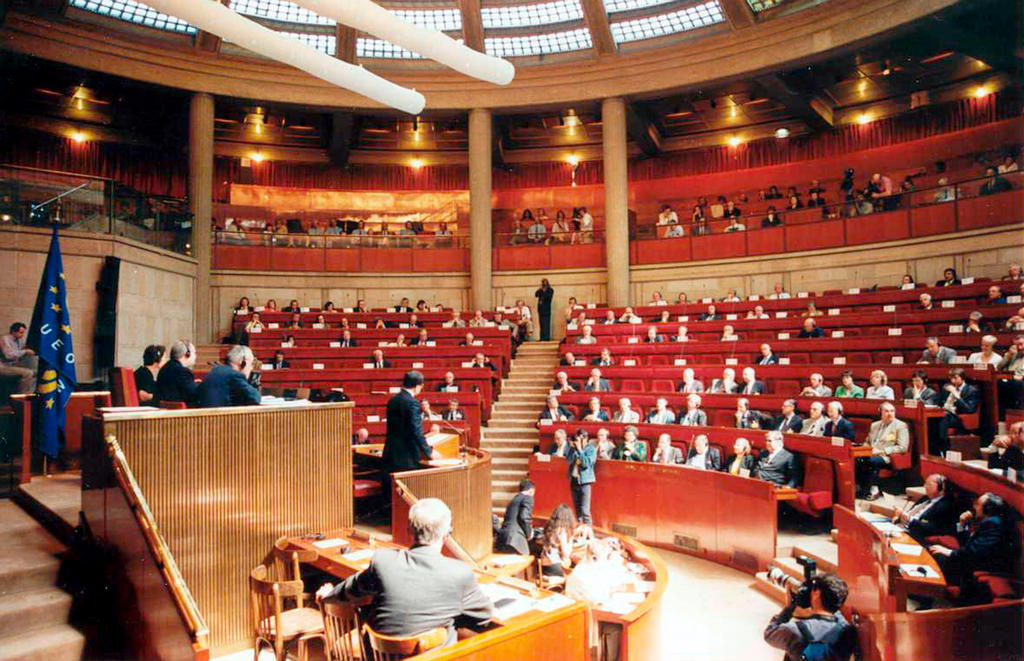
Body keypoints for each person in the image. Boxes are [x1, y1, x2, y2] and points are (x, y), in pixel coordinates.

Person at [315, 498, 492, 646]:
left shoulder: (382, 561)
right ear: (447, 534)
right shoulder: (460, 573)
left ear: (409, 530)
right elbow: (484, 618)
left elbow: (349, 590)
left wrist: (327, 595)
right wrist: (452, 613)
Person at [929, 493, 1020, 603]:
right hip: (979, 559)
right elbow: (968, 544)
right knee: (939, 554)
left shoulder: (993, 523)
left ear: (987, 509)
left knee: (939, 557)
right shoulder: (991, 521)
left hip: (988, 566)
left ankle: (930, 596)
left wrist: (949, 552)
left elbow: (974, 551)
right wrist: (962, 524)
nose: (974, 507)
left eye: (978, 504)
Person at [764, 572, 855, 661]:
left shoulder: (795, 630)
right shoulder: (846, 629)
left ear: (817, 594)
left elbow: (769, 634)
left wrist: (788, 609)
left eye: (813, 589)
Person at [382, 372, 441, 473]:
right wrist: (429, 452)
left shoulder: (392, 400)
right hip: (406, 458)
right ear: (417, 386)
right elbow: (416, 430)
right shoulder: (412, 403)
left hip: (390, 454)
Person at [857, 402, 910, 500]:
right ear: (880, 413)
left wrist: (882, 451)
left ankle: (874, 489)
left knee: (871, 461)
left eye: (892, 411)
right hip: (871, 453)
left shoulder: (901, 426)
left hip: (887, 456)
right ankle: (862, 488)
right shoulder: (874, 425)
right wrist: (864, 450)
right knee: (858, 459)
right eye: (886, 411)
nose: (890, 414)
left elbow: (903, 447)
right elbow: (867, 442)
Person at [892, 473, 954, 542]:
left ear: (941, 488)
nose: (924, 486)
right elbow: (910, 513)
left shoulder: (945, 506)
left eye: (928, 484)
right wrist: (899, 518)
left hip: (915, 536)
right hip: (902, 528)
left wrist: (908, 519)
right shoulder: (925, 498)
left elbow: (932, 529)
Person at [196, 345, 261, 408]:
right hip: (219, 417)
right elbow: (255, 397)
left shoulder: (216, 370)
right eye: (251, 363)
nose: (251, 368)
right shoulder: (234, 375)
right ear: (242, 363)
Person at [936, 367, 980, 455]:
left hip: (957, 417)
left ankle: (943, 448)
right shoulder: (947, 389)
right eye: (951, 378)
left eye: (955, 378)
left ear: (962, 378)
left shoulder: (972, 390)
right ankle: (935, 449)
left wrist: (957, 396)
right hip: (945, 413)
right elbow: (940, 403)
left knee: (944, 416)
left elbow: (969, 409)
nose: (953, 381)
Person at [495, 479, 535, 555]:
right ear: (531, 490)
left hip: (502, 538)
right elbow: (524, 517)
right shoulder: (528, 498)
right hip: (515, 540)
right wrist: (529, 533)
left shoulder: (513, 500)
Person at [566, 431, 596, 524]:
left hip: (585, 482)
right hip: (574, 481)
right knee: (577, 509)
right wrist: (572, 449)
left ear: (585, 438)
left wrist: (579, 449)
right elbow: (568, 461)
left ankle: (588, 531)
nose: (576, 441)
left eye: (578, 439)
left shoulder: (591, 449)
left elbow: (586, 464)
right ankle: (579, 528)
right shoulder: (574, 449)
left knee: (585, 510)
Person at [157, 340, 199, 404]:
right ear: (187, 354)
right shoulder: (183, 372)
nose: (195, 356)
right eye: (194, 352)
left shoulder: (163, 369)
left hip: (166, 411)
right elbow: (194, 395)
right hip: (183, 412)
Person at [0, 322, 37, 393]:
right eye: (21, 332)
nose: (23, 335)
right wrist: (25, 352)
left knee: (35, 372)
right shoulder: (5, 339)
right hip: (3, 366)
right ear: (13, 331)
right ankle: (21, 398)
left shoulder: (19, 340)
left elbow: (21, 352)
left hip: (12, 366)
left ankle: (29, 394)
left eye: (23, 333)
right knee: (28, 373)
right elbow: (8, 355)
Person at [539, 504, 576, 575]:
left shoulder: (549, 527)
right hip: (556, 566)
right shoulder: (562, 531)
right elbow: (566, 554)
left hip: (545, 566)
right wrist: (570, 539)